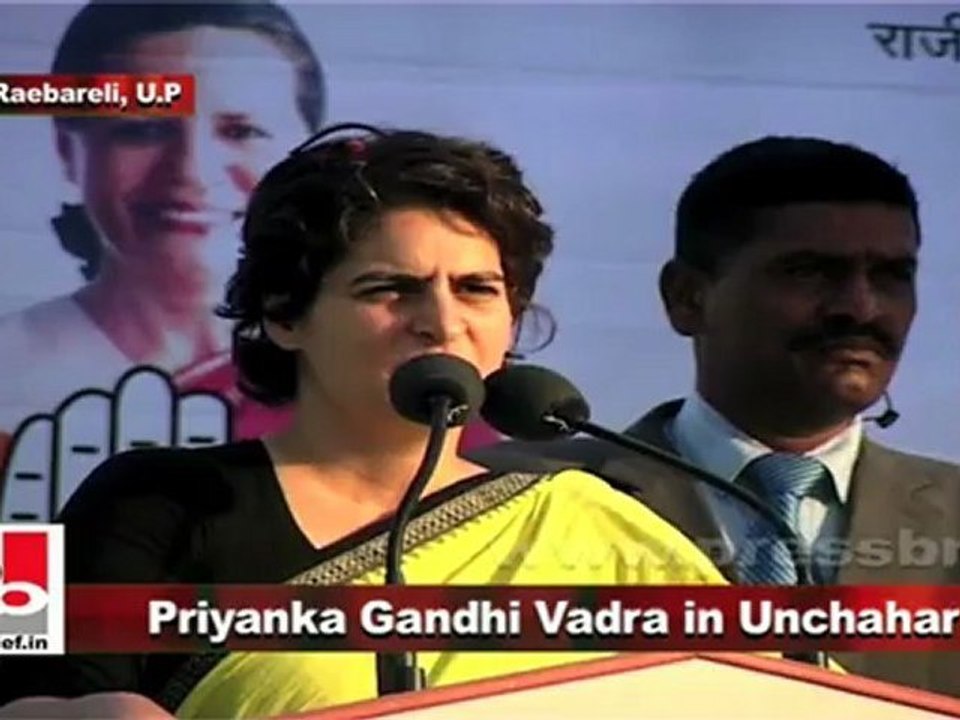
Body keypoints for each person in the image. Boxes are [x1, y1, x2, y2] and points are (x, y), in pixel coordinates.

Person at [0, 125, 729, 718]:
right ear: (285, 315)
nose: (441, 323)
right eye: (389, 289)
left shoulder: (601, 523)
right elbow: (21, 688)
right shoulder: (140, 494)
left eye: (477, 289)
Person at [471, 136, 960, 698]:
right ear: (687, 298)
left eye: (893, 276)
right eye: (810, 272)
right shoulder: (513, 496)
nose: (861, 306)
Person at [0, 2, 496, 523]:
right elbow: (29, 605)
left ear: (304, 153)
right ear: (65, 148)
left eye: (242, 132)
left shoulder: (426, 397)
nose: (190, 171)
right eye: (143, 130)